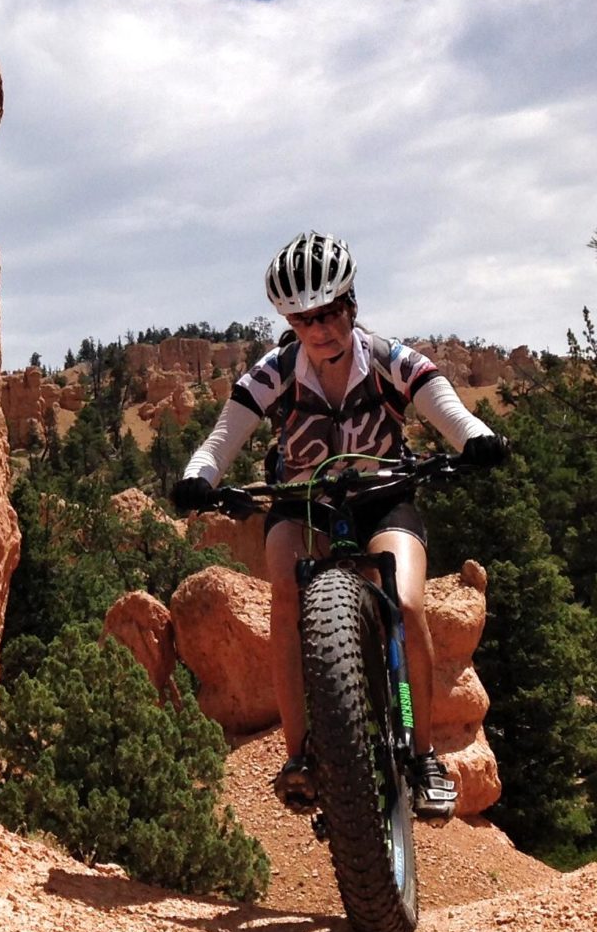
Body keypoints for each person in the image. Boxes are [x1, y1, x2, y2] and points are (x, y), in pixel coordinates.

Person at [170, 231, 508, 821]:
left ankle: (424, 756)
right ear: (290, 323)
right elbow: (222, 438)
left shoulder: (388, 360)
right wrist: (199, 475)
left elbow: (445, 407)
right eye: (303, 319)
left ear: (350, 304)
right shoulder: (275, 372)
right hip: (302, 503)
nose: (319, 329)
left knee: (405, 605)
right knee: (285, 597)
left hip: (384, 498)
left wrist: (474, 439)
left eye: (328, 313)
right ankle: (301, 756)